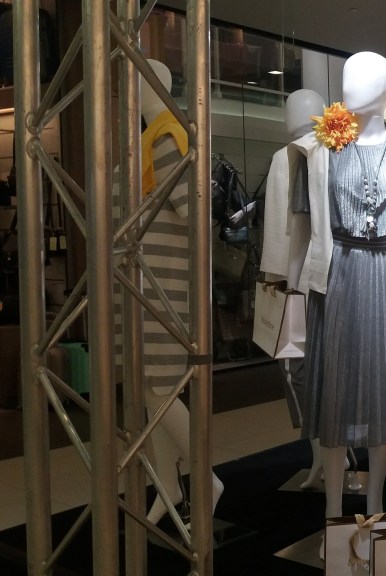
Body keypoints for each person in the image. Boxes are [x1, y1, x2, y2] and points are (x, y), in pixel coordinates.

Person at [289, 52, 386, 525]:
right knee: (335, 391)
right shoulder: (316, 149)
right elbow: (300, 229)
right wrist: (291, 290)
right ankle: (333, 512)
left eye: (364, 77)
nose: (350, 83)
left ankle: (374, 506)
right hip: (337, 278)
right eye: (347, 74)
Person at [130, 59, 224, 525]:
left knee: (160, 388)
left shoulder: (167, 140)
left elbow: (193, 215)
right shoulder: (151, 139)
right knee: (150, 392)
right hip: (143, 286)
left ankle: (205, 478)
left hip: (161, 289)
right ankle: (167, 485)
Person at [261, 88, 326, 489]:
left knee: (294, 366)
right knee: (322, 368)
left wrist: (275, 280)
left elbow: (278, 229)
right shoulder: (338, 151)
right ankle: (333, 449)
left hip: (297, 283)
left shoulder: (285, 158)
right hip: (334, 281)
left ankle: (322, 451)